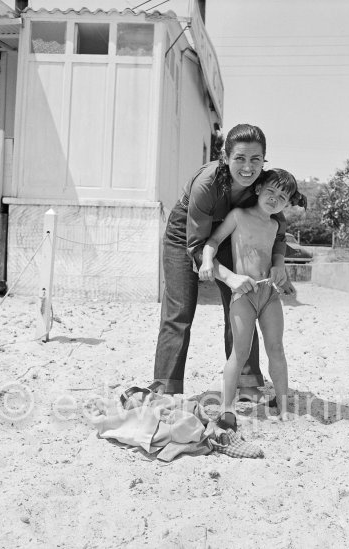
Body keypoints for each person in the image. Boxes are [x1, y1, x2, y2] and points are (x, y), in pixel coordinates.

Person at [149, 124, 294, 397]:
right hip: (187, 236)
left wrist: (278, 264)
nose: (248, 167)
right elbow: (197, 246)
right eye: (239, 158)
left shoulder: (264, 186)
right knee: (179, 311)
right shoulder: (207, 183)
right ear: (225, 157)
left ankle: (248, 383)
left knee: (243, 299)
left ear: (264, 161)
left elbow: (279, 230)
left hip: (228, 233)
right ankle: (165, 389)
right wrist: (229, 276)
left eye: (256, 159)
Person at [199, 169, 306, 428]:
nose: (274, 198)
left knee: (277, 349)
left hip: (269, 293)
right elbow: (213, 240)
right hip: (244, 293)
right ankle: (227, 409)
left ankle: (282, 406)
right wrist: (205, 261)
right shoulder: (239, 216)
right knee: (240, 351)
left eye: (282, 196)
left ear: (288, 202)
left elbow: (273, 256)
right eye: (270, 191)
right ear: (258, 189)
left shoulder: (275, 225)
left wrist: (285, 280)